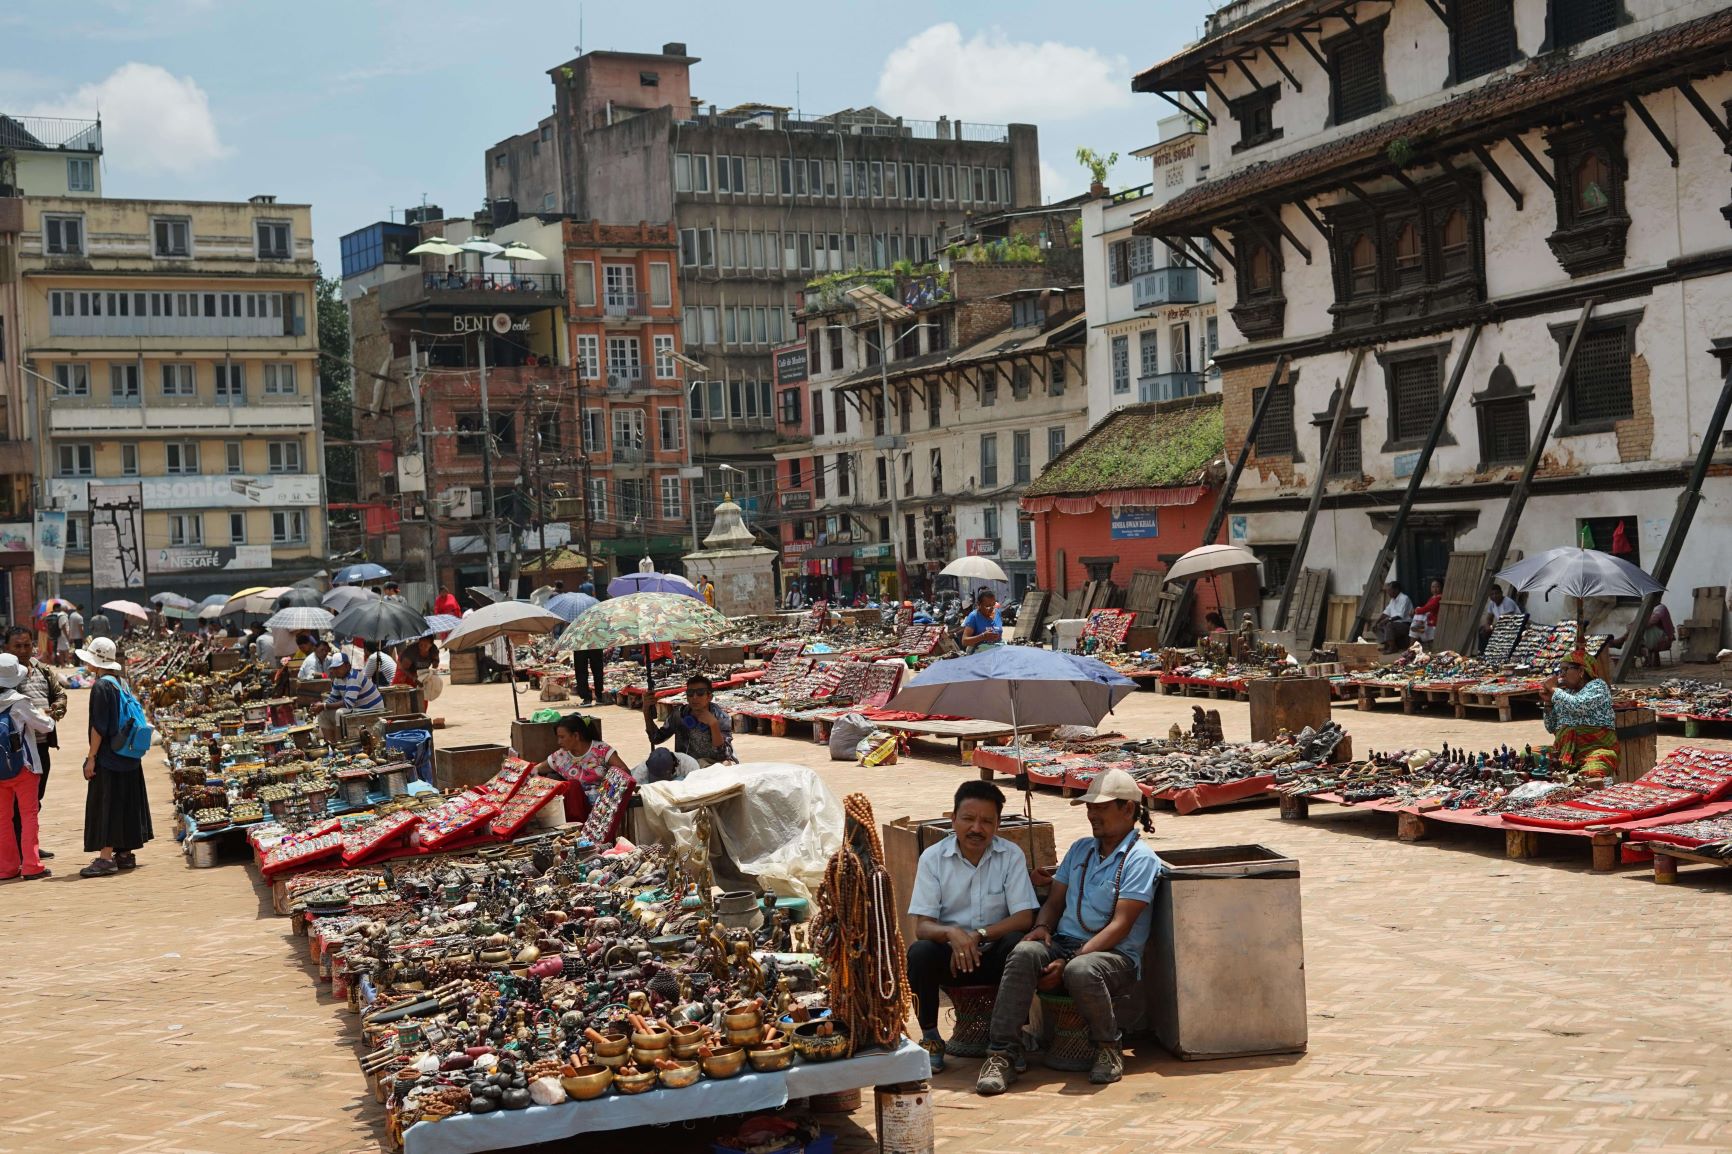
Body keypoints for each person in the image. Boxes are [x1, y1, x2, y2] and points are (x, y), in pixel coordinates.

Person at [976, 768, 1162, 1095]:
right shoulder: (1080, 849)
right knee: (1023, 953)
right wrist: (1042, 927)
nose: (1092, 814)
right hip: (1063, 943)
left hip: (1113, 956)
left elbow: (1120, 926)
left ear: (1128, 809)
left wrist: (1070, 959)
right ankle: (1002, 1054)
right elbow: (1054, 902)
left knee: (1081, 970)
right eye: (1090, 807)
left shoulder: (1141, 860)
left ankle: (1108, 1048)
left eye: (1101, 807)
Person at [906, 780, 1040, 1072]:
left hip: (994, 956)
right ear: (953, 819)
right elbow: (923, 926)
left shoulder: (1011, 855)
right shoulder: (933, 859)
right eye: (968, 819)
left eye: (986, 821)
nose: (976, 828)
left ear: (998, 825)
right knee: (920, 953)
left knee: (1019, 945)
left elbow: (1023, 918)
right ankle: (931, 1038)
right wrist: (952, 934)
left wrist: (978, 935)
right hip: (951, 960)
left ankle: (1011, 1040)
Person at [76, 637, 153, 878]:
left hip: (110, 755)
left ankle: (106, 857)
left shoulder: (101, 686)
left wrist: (91, 757)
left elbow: (99, 727)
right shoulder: (122, 683)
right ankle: (125, 854)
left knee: (107, 804)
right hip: (128, 753)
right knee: (125, 802)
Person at [5, 626, 65, 861]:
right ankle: (20, 850)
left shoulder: (43, 671)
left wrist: (57, 709)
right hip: (15, 750)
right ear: (6, 648)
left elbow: (60, 694)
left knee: (34, 800)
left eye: (27, 645)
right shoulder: (6, 675)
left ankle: (28, 845)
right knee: (13, 804)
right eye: (17, 646)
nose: (23, 650)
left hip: (41, 747)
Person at [0, 652, 56, 880]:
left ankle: (6, 867)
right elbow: (46, 726)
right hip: (24, 766)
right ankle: (32, 865)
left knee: (3, 820)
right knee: (28, 816)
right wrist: (46, 714)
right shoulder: (19, 702)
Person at [1539, 649, 1619, 778]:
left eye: (1565, 670)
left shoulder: (1598, 686)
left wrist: (1553, 689)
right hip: (1564, 752)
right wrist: (1548, 703)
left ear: (1581, 671)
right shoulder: (1566, 693)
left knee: (1593, 771)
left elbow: (1577, 705)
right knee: (1528, 756)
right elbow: (1551, 727)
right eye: (1560, 671)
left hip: (1594, 751)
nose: (1561, 675)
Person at [533, 712, 628, 817]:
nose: (559, 742)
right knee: (572, 785)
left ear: (576, 736)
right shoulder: (560, 756)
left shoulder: (601, 750)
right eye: (558, 737)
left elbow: (625, 771)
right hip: (576, 809)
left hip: (603, 807)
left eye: (562, 737)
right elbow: (536, 769)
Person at [644, 673, 737, 766]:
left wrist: (714, 725)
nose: (694, 697)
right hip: (687, 766)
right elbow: (656, 738)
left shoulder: (721, 717)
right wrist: (646, 711)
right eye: (690, 693)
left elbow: (724, 754)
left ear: (709, 697)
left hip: (714, 765)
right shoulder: (679, 714)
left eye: (700, 693)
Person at [313, 650, 384, 744]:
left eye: (338, 667)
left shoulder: (354, 677)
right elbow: (333, 698)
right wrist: (320, 706)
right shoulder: (338, 679)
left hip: (371, 710)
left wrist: (324, 705)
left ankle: (340, 744)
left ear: (348, 666)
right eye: (334, 668)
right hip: (358, 709)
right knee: (323, 713)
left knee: (339, 712)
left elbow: (347, 704)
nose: (335, 670)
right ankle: (332, 745)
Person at [1371, 581, 1414, 652]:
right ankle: (1386, 645)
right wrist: (1377, 622)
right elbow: (1385, 613)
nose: (1388, 592)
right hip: (1394, 623)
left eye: (1389, 590)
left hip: (1405, 624)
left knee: (1389, 625)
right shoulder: (1392, 600)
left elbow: (1400, 616)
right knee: (1377, 626)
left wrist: (1387, 620)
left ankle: (1392, 647)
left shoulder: (1404, 598)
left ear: (1396, 590)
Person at [961, 588, 1004, 653]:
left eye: (993, 605)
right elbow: (964, 641)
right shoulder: (974, 616)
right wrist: (982, 636)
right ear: (979, 604)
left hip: (997, 653)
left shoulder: (997, 613)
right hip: (979, 655)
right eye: (987, 606)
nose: (991, 609)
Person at [1410, 578, 1444, 649]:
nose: (1435, 589)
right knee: (1415, 629)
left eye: (1437, 587)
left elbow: (1426, 609)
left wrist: (1416, 610)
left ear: (1441, 588)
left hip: (1434, 621)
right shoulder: (1432, 597)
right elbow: (1425, 608)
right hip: (1428, 620)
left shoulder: (1439, 598)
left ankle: (1411, 648)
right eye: (1433, 587)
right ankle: (1412, 648)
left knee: (1415, 627)